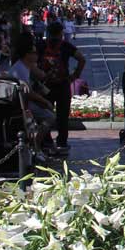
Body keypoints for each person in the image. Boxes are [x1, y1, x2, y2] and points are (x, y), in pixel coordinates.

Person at [38, 21, 86, 153]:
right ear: (61, 33)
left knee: (45, 113)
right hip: (63, 83)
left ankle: (46, 141)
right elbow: (82, 59)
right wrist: (75, 75)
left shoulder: (41, 45)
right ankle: (62, 142)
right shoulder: (65, 45)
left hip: (45, 85)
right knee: (63, 115)